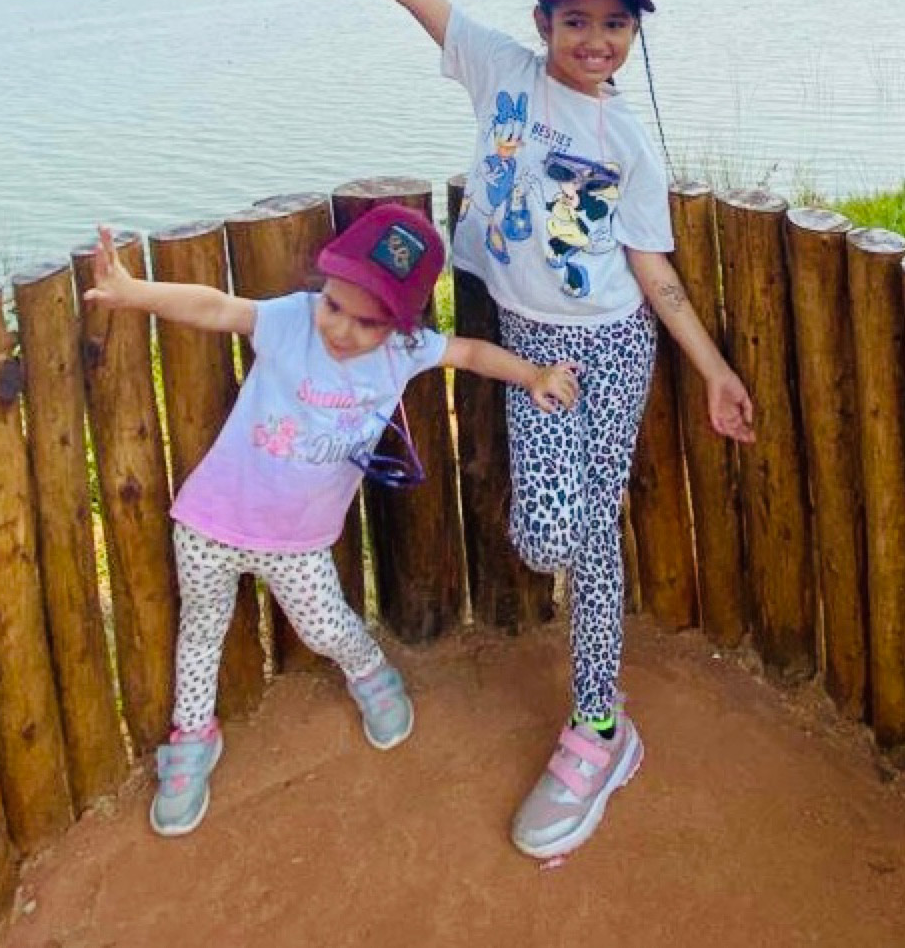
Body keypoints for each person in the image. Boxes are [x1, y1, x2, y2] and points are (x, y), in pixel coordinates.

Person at [264, 0, 757, 861]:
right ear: (541, 22)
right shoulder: (498, 69)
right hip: (531, 345)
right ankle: (601, 718)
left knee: (586, 533)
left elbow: (652, 270)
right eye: (575, 18)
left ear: (633, 32)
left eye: (615, 22)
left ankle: (598, 727)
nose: (595, 39)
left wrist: (712, 369)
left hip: (613, 347)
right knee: (547, 535)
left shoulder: (629, 145)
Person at [83, 203, 578, 837]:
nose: (342, 329)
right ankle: (193, 735)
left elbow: (472, 352)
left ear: (400, 324)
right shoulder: (290, 320)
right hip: (209, 521)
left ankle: (369, 670)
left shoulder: (405, 351)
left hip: (297, 541)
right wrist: (134, 293)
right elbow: (215, 307)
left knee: (325, 628)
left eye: (367, 322)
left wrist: (533, 374)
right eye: (334, 305)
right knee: (201, 631)